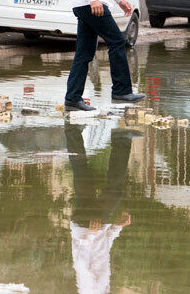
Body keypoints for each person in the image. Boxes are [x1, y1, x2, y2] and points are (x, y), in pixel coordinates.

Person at [65, 124, 138, 294]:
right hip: (90, 225)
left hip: (87, 226)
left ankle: (121, 139)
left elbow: (81, 263)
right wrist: (117, 228)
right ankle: (72, 131)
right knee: (82, 174)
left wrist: (90, 235)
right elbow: (104, 251)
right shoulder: (103, 289)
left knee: (114, 191)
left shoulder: (90, 290)